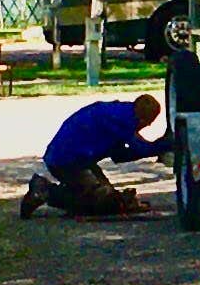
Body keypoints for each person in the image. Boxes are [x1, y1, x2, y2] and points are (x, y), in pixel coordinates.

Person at [19, 91, 170, 219]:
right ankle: (45, 191)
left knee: (109, 198)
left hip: (75, 158)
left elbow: (120, 155)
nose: (147, 127)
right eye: (148, 123)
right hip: (67, 160)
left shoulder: (121, 113)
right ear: (142, 119)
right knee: (103, 203)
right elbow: (140, 148)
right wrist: (166, 145)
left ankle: (78, 194)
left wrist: (156, 147)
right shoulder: (123, 120)